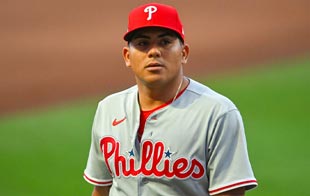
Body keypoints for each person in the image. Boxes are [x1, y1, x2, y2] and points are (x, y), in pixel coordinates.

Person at [83, 3, 257, 196]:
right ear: (127, 56)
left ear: (184, 53)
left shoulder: (217, 113)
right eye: (142, 43)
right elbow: (101, 189)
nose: (154, 51)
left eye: (165, 42)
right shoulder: (108, 109)